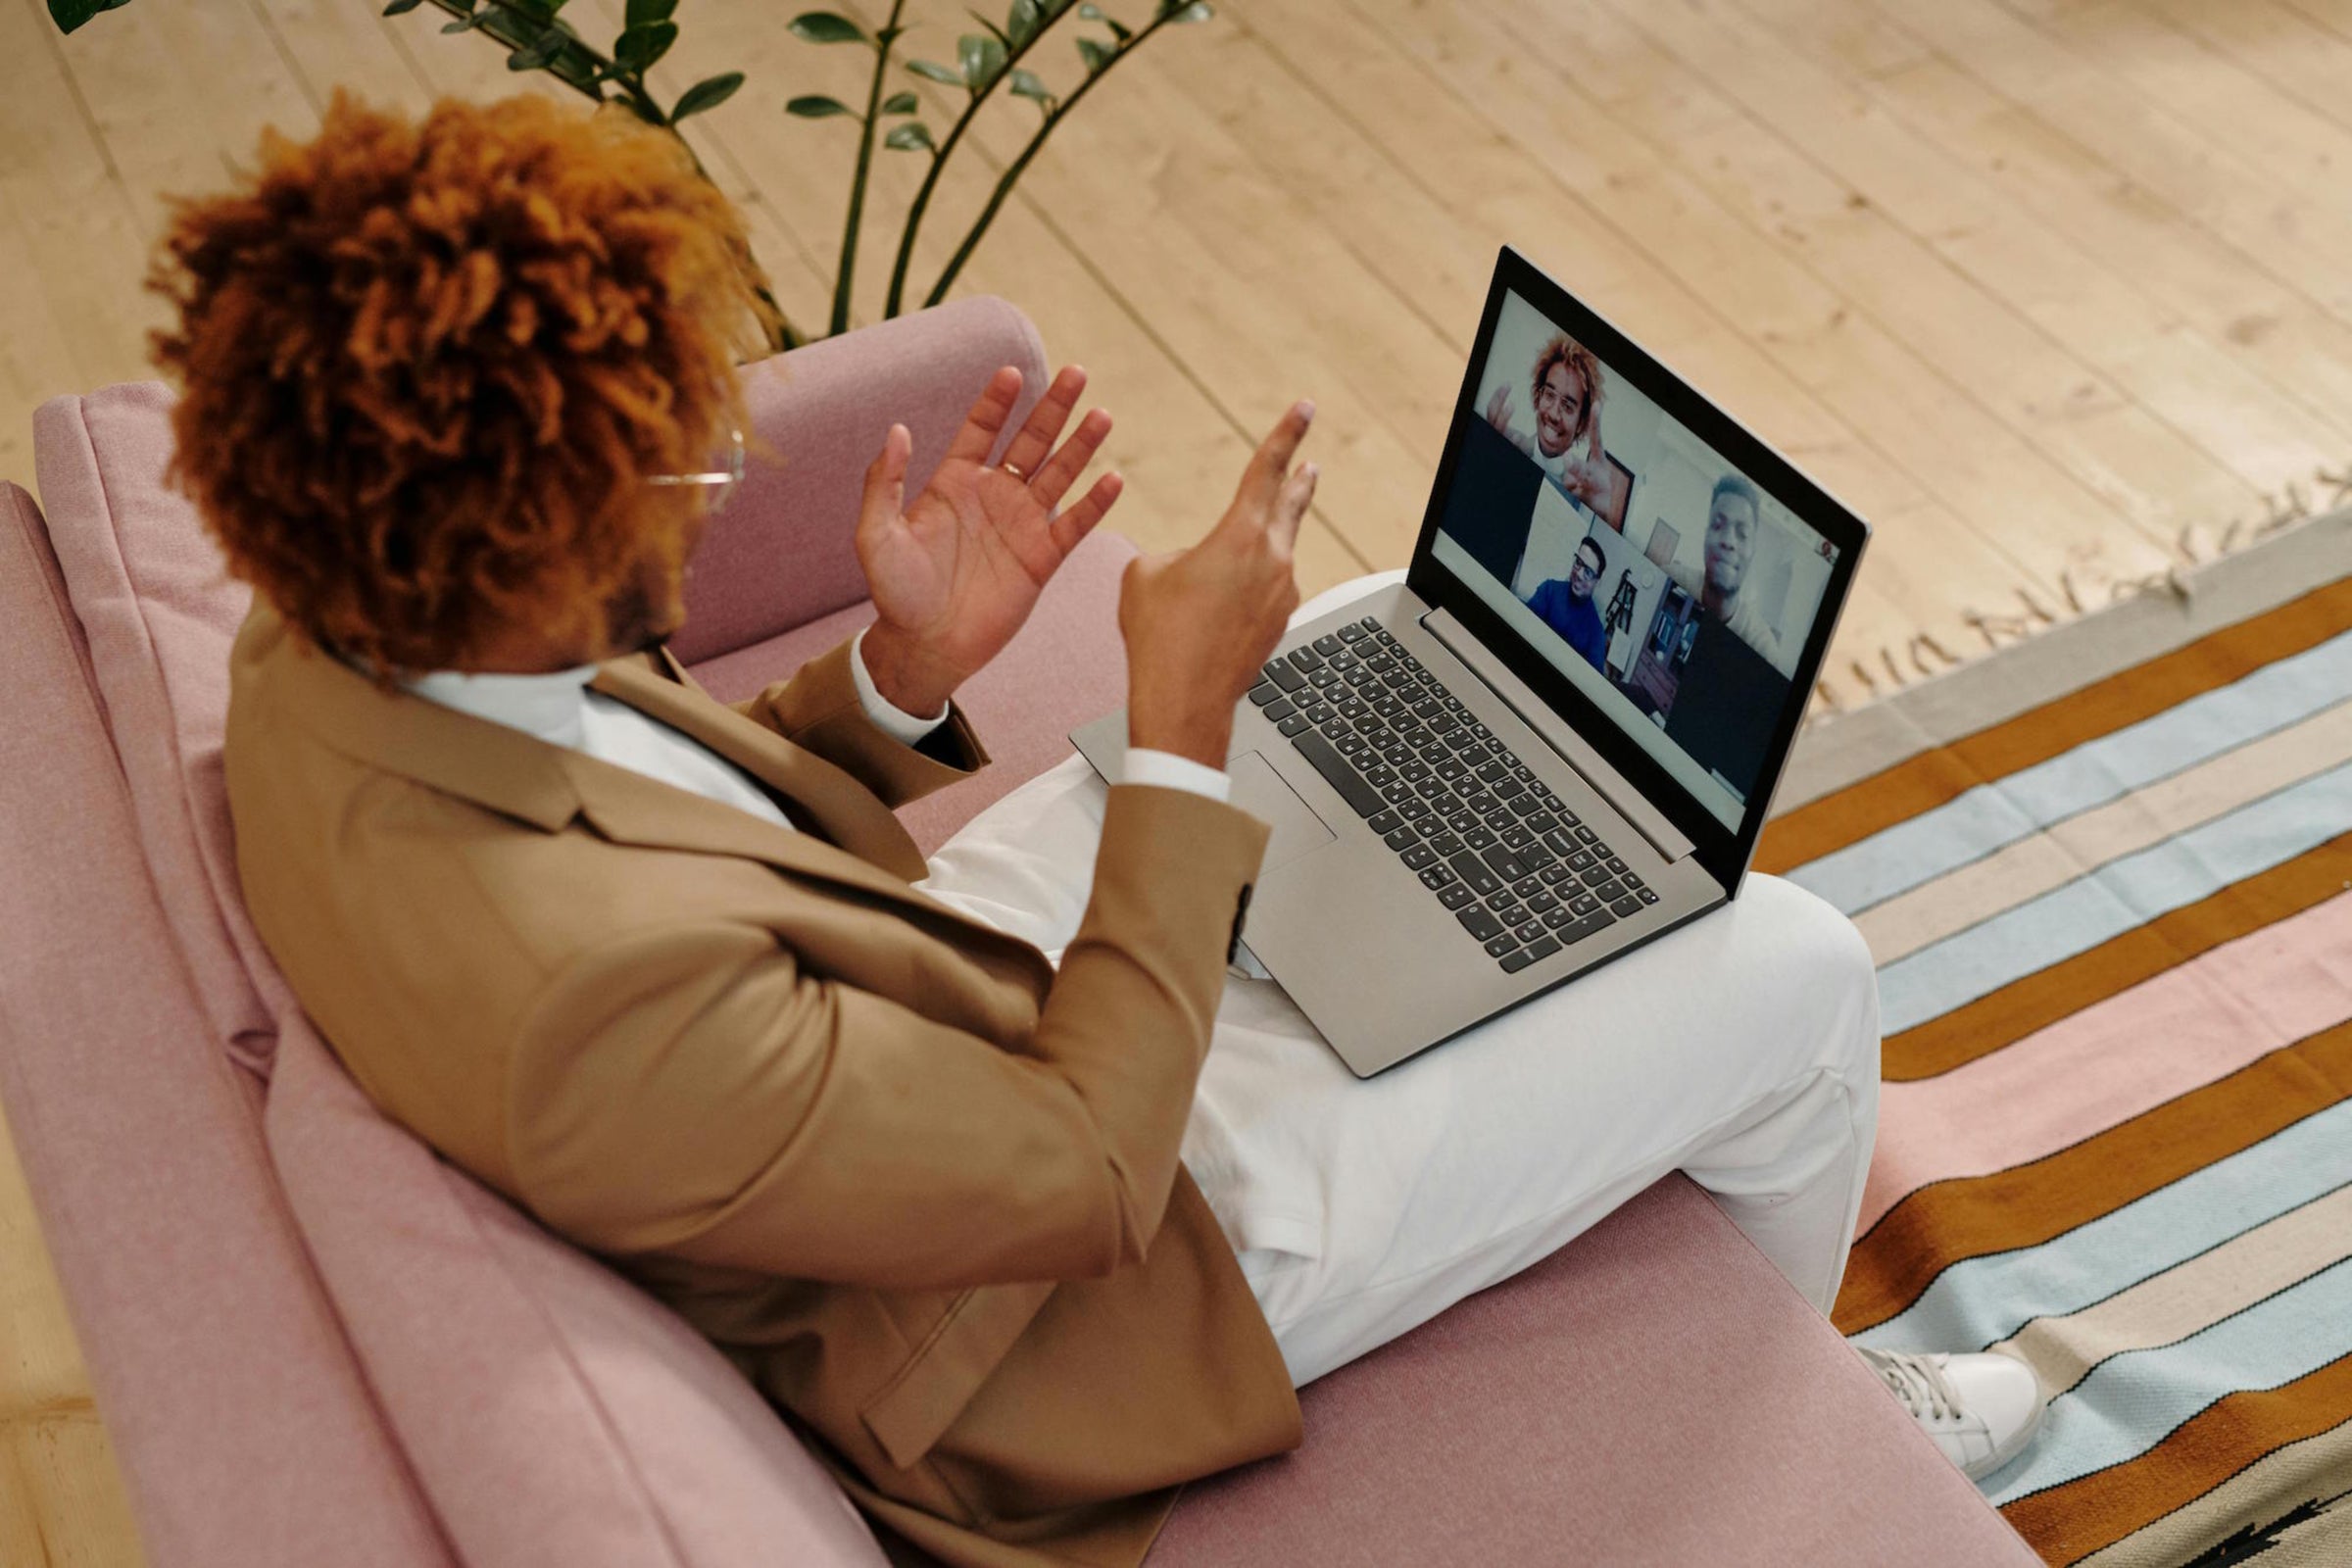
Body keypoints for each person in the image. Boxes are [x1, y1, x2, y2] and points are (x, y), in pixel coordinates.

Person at [169, 96, 2043, 1568]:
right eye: (663, 468)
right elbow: (1076, 1173)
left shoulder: (333, 630)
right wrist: (1173, 751)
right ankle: (1831, 1405)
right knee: (1802, 970)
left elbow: (660, 825)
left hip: (893, 1023)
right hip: (1090, 1292)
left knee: (1363, 626)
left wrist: (903, 673)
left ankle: (1396, 919)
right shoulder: (591, 1014)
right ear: (513, 557)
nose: (710, 484)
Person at [1484, 330, 1629, 525]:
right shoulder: (1505, 444)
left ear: (1581, 424)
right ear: (1538, 396)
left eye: (1568, 406)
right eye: (1550, 395)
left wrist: (1602, 517)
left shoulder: (1581, 491)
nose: (1553, 414)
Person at [1671, 473, 1794, 672]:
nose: (1728, 540)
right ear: (1705, 536)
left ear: (1752, 552)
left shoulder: (1763, 649)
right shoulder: (1673, 577)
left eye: (1742, 534)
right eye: (1718, 525)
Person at [1525, 534, 1612, 671]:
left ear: (1597, 582)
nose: (1579, 574)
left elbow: (1588, 682)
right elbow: (1523, 629)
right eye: (1578, 562)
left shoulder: (1596, 634)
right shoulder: (1549, 590)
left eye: (1588, 572)